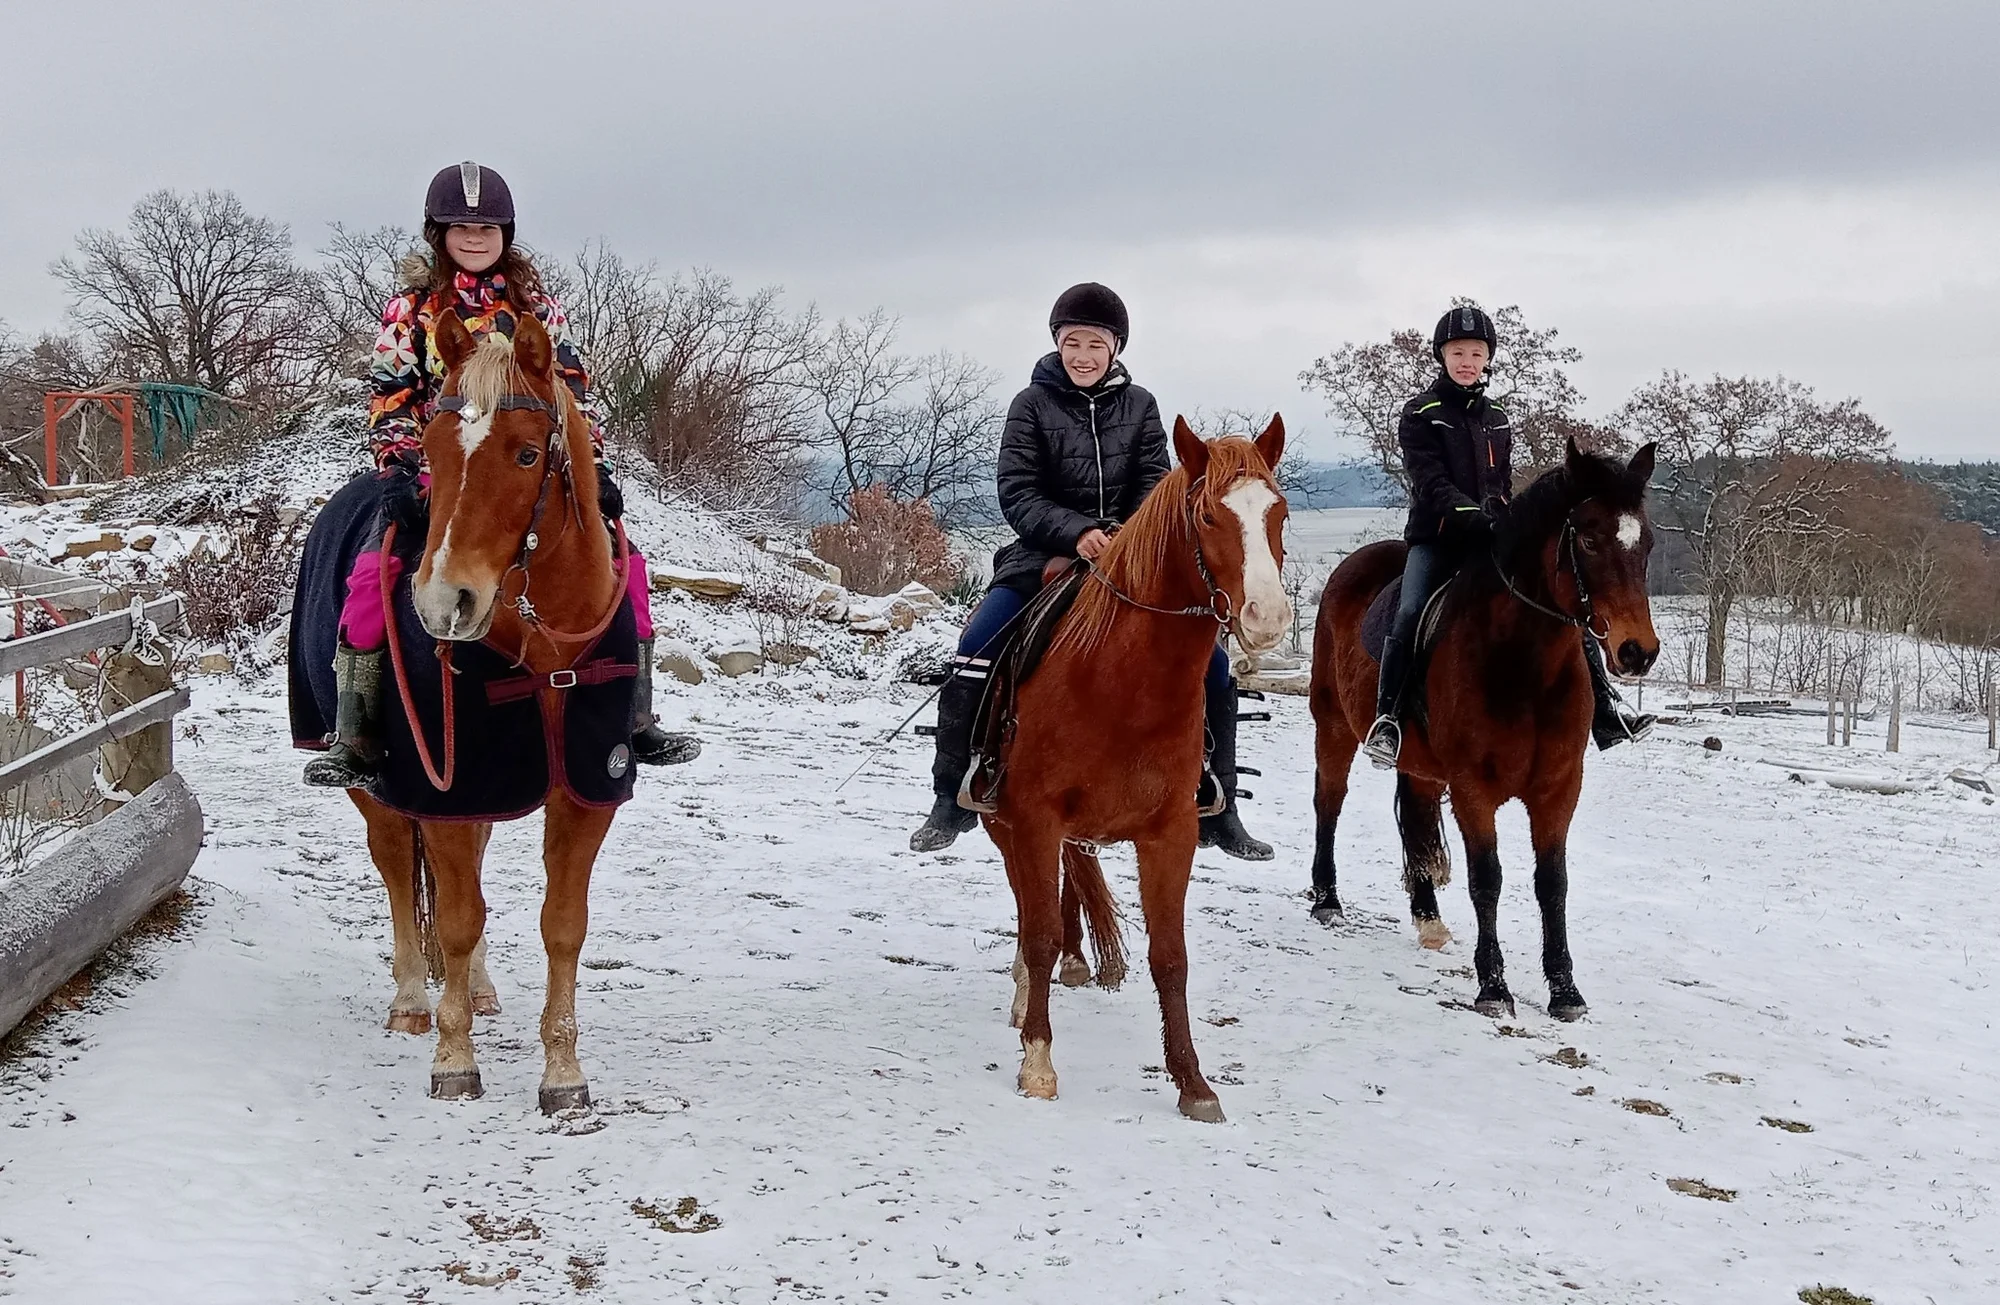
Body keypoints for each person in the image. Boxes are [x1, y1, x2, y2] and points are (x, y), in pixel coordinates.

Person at [302, 161, 698, 788]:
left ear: (506, 234)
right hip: (444, 463)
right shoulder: (414, 309)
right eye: (462, 227)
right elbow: (392, 393)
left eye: (488, 227)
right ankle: (358, 729)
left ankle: (636, 713)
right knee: (374, 571)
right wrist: (403, 465)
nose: (476, 237)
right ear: (440, 233)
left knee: (627, 563)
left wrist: (590, 466)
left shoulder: (536, 308)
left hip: (529, 462)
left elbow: (569, 393)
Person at [909, 283, 1272, 860]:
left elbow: (1156, 486)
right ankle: (952, 795)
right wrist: (1076, 532)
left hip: (1131, 563)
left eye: (1095, 344)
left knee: (1217, 667)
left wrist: (1124, 539)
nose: (1082, 354)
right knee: (976, 645)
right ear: (1057, 344)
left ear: (1115, 348)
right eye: (1071, 341)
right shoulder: (1030, 405)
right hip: (1042, 557)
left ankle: (1219, 803)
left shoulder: (1141, 405)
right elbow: (1018, 492)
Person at [1361, 305, 1655, 769]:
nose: (1466, 361)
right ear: (1442, 356)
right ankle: (1389, 720)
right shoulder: (1420, 413)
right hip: (1437, 539)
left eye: (1476, 353)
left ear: (1487, 359)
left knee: (1563, 605)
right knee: (1411, 613)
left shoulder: (1497, 417)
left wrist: (1505, 519)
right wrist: (1476, 518)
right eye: (1457, 352)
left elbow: (1499, 485)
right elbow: (1431, 483)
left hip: (1492, 538)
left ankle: (1605, 711)